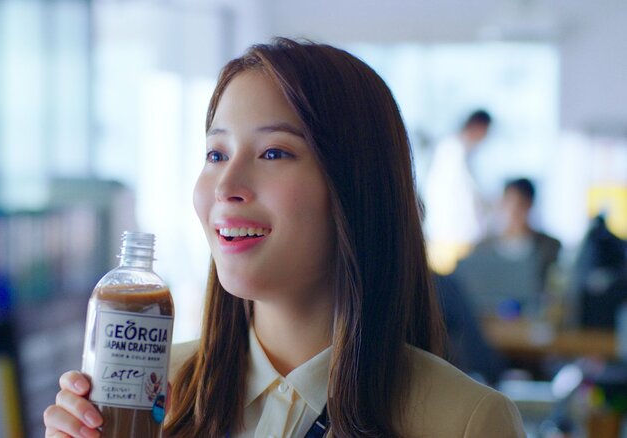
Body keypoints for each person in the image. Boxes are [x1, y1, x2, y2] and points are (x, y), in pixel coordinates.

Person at [43, 38, 523, 437]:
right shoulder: (150, 395)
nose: (226, 186)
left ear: (357, 186)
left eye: (273, 153)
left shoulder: (467, 422)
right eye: (216, 154)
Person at [455, 178, 561, 316]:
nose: (514, 212)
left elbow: (554, 290)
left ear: (530, 205)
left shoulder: (549, 247)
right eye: (509, 204)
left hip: (531, 319)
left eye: (520, 205)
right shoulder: (482, 248)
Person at [423, 109, 492, 274]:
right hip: (449, 239)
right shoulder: (451, 151)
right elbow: (448, 197)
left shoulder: (463, 152)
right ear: (478, 126)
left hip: (461, 240)